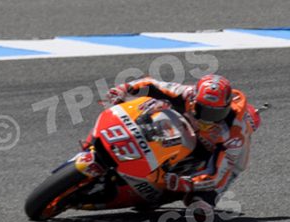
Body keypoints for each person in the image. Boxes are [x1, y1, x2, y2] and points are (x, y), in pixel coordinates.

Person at [104, 74, 261, 214]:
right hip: (190, 133)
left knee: (201, 206)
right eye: (204, 110)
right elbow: (151, 83)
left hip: (217, 154)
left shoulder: (235, 134)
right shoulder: (187, 94)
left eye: (217, 113)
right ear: (194, 99)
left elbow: (217, 174)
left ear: (227, 109)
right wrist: (124, 88)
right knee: (154, 106)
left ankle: (180, 193)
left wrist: (185, 183)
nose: (210, 118)